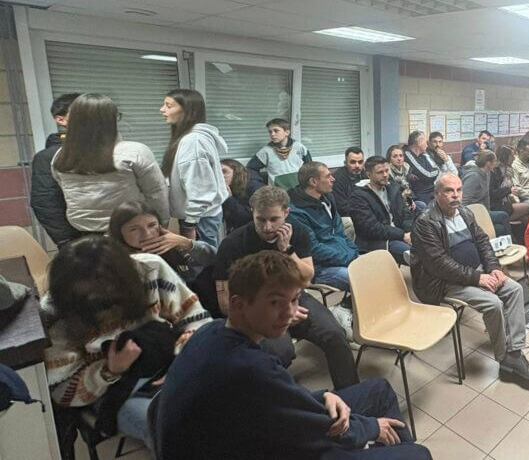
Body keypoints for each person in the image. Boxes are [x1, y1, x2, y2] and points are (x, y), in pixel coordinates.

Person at [156, 250, 430, 460]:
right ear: (238, 305)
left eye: (295, 299)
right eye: (275, 302)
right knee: (418, 454)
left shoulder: (211, 330)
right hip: (261, 448)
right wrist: (372, 428)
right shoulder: (250, 367)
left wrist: (323, 396)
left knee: (379, 391)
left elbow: (280, 403)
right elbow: (311, 426)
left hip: (255, 433)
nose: (289, 312)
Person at [43, 236, 210, 450]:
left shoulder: (149, 268)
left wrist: (181, 363)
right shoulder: (55, 312)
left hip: (169, 361)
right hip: (111, 389)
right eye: (90, 295)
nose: (103, 299)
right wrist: (110, 370)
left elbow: (197, 320)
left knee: (221, 406)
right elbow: (61, 392)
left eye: (111, 290)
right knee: (169, 428)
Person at [209, 186, 359, 390]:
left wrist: (287, 250)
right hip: (255, 309)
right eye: (261, 219)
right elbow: (225, 304)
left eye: (274, 219)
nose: (267, 227)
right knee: (280, 352)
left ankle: (352, 396)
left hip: (291, 297)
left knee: (335, 335)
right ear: (252, 212)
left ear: (286, 213)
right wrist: (277, 312)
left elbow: (306, 280)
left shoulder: (296, 231)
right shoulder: (233, 244)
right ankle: (277, 397)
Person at [411, 173, 529, 382]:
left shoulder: (464, 212)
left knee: (515, 290)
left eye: (459, 190)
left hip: (476, 271)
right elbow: (439, 265)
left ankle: (515, 352)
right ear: (436, 194)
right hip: (444, 282)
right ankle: (504, 358)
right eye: (449, 191)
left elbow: (482, 241)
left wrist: (493, 268)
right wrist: (478, 278)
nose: (456, 195)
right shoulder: (425, 223)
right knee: (493, 303)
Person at [52, 94, 169, 234]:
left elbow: (65, 191)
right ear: (111, 119)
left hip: (82, 230)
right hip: (131, 230)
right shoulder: (134, 151)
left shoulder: (60, 156)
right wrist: (160, 225)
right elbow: (156, 192)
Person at [160, 89, 229, 246]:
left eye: (169, 106)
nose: (162, 110)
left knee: (202, 259)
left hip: (200, 219)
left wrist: (189, 224)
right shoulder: (189, 138)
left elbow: (200, 190)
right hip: (200, 217)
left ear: (187, 111)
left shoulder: (193, 142)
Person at [108, 201, 217, 295]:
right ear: (119, 232)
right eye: (134, 229)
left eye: (152, 225)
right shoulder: (113, 261)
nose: (147, 234)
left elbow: (216, 261)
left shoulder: (171, 249)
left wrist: (187, 243)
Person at [288, 162, 359, 291]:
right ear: (313, 182)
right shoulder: (296, 212)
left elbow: (340, 234)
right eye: (328, 176)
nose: (333, 179)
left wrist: (354, 252)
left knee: (378, 269)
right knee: (362, 278)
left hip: (343, 258)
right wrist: (349, 258)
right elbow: (314, 249)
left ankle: (350, 302)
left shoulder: (327, 199)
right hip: (321, 268)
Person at [31, 92, 81, 246]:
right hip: (80, 238)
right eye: (80, 112)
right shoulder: (48, 157)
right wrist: (67, 242)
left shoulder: (112, 149)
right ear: (61, 119)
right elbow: (45, 203)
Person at [349, 156, 415, 266]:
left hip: (400, 235)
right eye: (380, 172)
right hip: (379, 242)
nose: (385, 175)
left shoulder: (393, 189)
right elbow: (371, 228)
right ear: (369, 175)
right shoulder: (359, 197)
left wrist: (410, 232)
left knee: (430, 249)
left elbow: (406, 214)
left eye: (386, 171)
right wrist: (402, 235)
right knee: (416, 256)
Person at [246, 118, 312, 191]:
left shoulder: (299, 147)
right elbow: (251, 169)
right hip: (278, 193)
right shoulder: (266, 151)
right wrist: (258, 186)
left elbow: (310, 167)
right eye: (270, 132)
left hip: (298, 190)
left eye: (276, 131)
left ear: (287, 132)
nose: (272, 134)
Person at [460, 149, 511, 236]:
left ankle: (502, 242)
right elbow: (464, 200)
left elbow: (486, 195)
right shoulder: (473, 176)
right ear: (488, 163)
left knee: (500, 228)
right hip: (471, 213)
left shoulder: (487, 173)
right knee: (503, 215)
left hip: (482, 211)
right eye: (495, 161)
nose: (496, 163)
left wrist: (487, 212)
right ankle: (510, 241)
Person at [492, 145, 529, 223]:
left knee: (526, 218)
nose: (514, 158)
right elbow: (493, 193)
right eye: (512, 156)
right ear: (505, 157)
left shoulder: (508, 170)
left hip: (507, 202)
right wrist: (509, 190)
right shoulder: (496, 172)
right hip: (498, 206)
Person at [404, 131, 440, 205]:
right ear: (419, 142)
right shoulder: (408, 154)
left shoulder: (423, 155)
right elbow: (428, 175)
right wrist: (436, 171)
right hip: (421, 195)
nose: (427, 145)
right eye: (426, 142)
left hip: (431, 191)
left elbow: (433, 169)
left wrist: (434, 171)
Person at [387, 144, 424, 211]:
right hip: (395, 203)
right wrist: (408, 201)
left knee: (422, 205)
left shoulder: (406, 169)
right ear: (389, 159)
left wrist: (411, 200)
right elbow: (393, 194)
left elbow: (410, 189)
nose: (399, 159)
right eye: (395, 156)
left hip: (408, 200)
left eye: (401, 156)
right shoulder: (387, 173)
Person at [220, 158, 253, 233]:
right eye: (219, 173)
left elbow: (247, 218)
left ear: (236, 173)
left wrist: (229, 199)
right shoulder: (226, 188)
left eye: (224, 172)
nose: (221, 176)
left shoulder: (252, 187)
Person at [331, 147, 366, 216]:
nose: (357, 166)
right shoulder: (338, 179)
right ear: (345, 163)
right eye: (353, 162)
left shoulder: (365, 174)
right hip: (347, 215)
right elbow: (342, 207)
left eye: (360, 162)